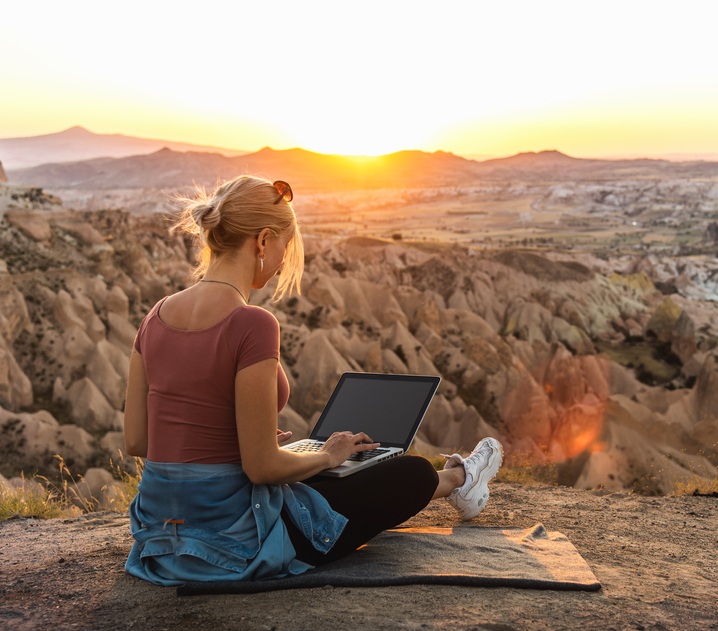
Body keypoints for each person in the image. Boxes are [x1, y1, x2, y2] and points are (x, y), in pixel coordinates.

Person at [123, 175, 503, 586]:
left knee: (328, 470)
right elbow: (263, 468)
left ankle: (458, 480)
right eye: (285, 247)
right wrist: (328, 455)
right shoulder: (252, 323)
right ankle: (460, 479)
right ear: (263, 241)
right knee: (410, 474)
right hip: (233, 543)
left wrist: (246, 447)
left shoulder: (155, 317)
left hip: (160, 540)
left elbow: (139, 442)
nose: (284, 260)